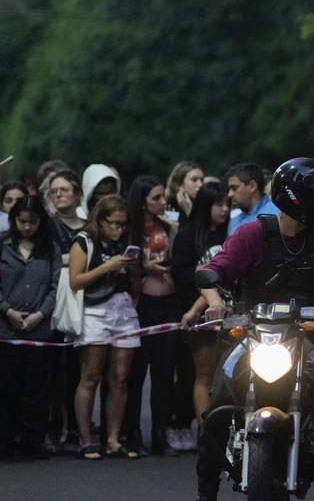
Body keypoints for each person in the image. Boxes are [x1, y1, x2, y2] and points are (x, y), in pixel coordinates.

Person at [196, 156, 314, 501]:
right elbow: (217, 268)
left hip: (307, 337)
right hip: (252, 336)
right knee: (216, 410)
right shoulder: (253, 234)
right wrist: (213, 298)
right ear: (297, 199)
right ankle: (206, 492)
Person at [68, 194, 140, 461]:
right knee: (91, 375)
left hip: (123, 308)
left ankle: (112, 438)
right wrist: (107, 267)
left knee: (120, 378)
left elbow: (135, 283)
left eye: (123, 224)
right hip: (94, 310)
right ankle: (86, 440)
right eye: (114, 224)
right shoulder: (84, 241)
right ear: (100, 220)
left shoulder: (123, 243)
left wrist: (131, 272)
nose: (119, 229)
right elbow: (75, 281)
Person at [123, 175, 180, 457]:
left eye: (162, 197)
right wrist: (144, 266)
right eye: (155, 198)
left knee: (164, 372)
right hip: (140, 305)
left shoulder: (167, 226)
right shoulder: (129, 230)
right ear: (142, 201)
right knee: (136, 373)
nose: (162, 202)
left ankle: (160, 434)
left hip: (168, 304)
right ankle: (132, 432)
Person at [0, 195, 60, 459]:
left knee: (38, 388)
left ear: (40, 222)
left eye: (33, 222)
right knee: (6, 386)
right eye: (22, 221)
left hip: (39, 329)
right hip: (5, 329)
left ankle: (32, 439)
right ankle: (5, 439)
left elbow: (55, 287)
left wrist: (40, 314)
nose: (27, 227)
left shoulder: (51, 249)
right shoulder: (3, 246)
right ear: (14, 220)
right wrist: (7, 310)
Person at [171, 182, 228, 452]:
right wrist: (198, 273)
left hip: (231, 312)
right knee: (202, 373)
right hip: (199, 315)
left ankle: (227, 429)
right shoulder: (187, 236)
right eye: (219, 204)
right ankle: (206, 431)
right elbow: (180, 276)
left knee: (227, 375)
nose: (225, 210)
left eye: (227, 204)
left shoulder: (233, 233)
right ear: (206, 206)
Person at [224, 162, 280, 237]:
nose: (230, 194)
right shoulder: (234, 221)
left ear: (252, 186)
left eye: (234, 188)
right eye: (229, 189)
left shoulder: (277, 213)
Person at [47, 170, 86, 256]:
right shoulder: (46, 226)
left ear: (77, 193)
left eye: (64, 190)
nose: (58, 194)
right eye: (53, 191)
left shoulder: (90, 225)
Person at [164, 161, 204, 226]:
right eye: (194, 180)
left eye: (202, 180)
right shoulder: (168, 209)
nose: (200, 184)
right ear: (178, 184)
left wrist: (188, 210)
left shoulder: (204, 208)